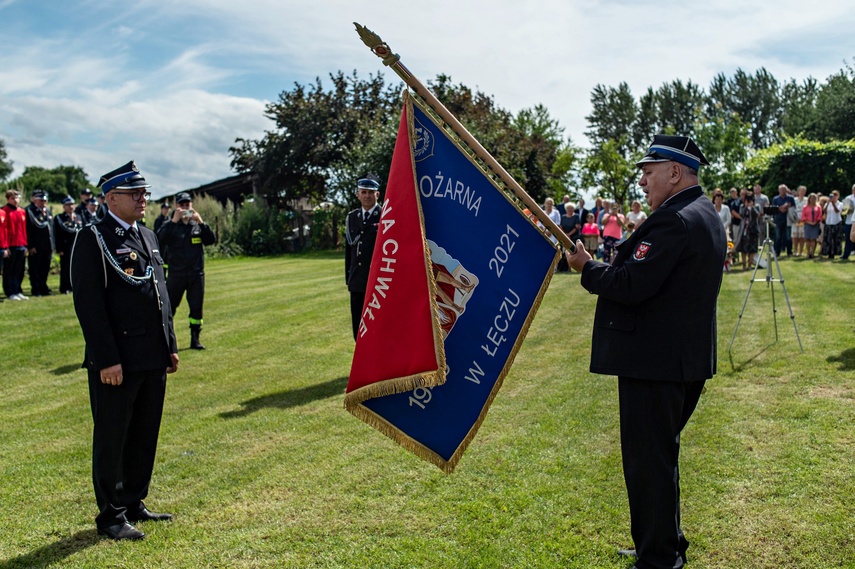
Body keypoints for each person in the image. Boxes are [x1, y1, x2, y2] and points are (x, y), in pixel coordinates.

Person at [565, 134, 726, 569]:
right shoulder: (704, 213)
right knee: (659, 459)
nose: (642, 181)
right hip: (681, 360)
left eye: (648, 171)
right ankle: (662, 544)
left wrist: (587, 267)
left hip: (656, 363)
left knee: (648, 466)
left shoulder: (674, 220)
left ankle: (658, 558)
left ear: (675, 173)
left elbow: (632, 285)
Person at [71, 160, 178, 541]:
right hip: (118, 360)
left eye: (144, 192)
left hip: (151, 356)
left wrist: (170, 346)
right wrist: (106, 358)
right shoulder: (94, 238)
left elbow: (160, 296)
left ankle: (133, 501)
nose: (142, 198)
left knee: (144, 433)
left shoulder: (147, 236)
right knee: (113, 436)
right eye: (134, 193)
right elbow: (89, 305)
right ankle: (111, 515)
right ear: (110, 198)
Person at [156, 192, 217, 349]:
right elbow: (159, 239)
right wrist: (173, 222)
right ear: (177, 207)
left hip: (196, 275)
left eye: (187, 205)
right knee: (169, 307)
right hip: (177, 275)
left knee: (196, 309)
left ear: (192, 206)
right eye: (182, 205)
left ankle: (195, 339)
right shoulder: (171, 225)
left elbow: (211, 240)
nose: (185, 208)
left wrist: (201, 222)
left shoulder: (197, 225)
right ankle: (165, 340)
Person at [345, 175, 382, 340]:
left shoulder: (385, 215)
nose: (367, 195)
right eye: (364, 192)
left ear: (377, 195)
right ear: (358, 194)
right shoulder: (351, 218)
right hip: (358, 281)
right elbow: (349, 251)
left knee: (378, 323)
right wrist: (349, 278)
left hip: (379, 282)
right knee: (358, 327)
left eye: (371, 192)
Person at [25, 189, 54, 296]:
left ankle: (43, 287)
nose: (43, 203)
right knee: (35, 269)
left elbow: (51, 229)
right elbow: (29, 229)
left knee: (45, 268)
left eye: (44, 201)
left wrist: (53, 245)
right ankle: (36, 289)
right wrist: (31, 245)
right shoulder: (30, 211)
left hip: (47, 245)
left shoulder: (48, 211)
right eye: (41, 200)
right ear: (35, 200)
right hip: (36, 246)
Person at [2, 190, 28, 300]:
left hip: (21, 244)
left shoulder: (22, 211)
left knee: (19, 269)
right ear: (8, 199)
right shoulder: (4, 211)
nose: (15, 200)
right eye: (13, 198)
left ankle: (17, 289)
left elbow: (24, 229)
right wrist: (6, 246)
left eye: (17, 197)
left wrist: (26, 244)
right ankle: (10, 291)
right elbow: (4, 230)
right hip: (11, 245)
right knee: (9, 270)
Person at [53, 196, 82, 294]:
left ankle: (73, 285)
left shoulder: (78, 217)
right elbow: (57, 234)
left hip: (77, 246)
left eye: (72, 204)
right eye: (68, 205)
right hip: (66, 247)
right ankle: (64, 287)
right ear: (64, 207)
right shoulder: (60, 218)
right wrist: (59, 249)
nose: (71, 207)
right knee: (66, 268)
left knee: (77, 267)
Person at [770, 184, 795, 257]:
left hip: (788, 219)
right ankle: (777, 252)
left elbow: (793, 207)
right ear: (779, 190)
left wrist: (783, 208)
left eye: (784, 190)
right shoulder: (775, 199)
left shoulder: (790, 198)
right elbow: (774, 209)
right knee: (777, 236)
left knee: (788, 236)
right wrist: (784, 207)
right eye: (781, 190)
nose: (783, 191)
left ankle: (789, 252)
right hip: (778, 219)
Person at [738, 194, 760, 269]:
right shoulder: (742, 207)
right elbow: (741, 214)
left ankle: (749, 265)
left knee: (752, 249)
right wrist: (746, 207)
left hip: (753, 231)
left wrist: (752, 208)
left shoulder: (756, 207)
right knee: (743, 249)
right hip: (744, 231)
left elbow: (757, 215)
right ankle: (744, 265)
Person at [822, 190, 844, 259]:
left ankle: (835, 252)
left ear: (838, 196)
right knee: (828, 238)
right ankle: (828, 252)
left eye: (835, 195)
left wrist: (833, 203)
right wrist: (828, 203)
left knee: (836, 239)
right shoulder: (828, 203)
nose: (834, 197)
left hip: (836, 222)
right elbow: (824, 211)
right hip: (828, 222)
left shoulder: (840, 204)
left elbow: (837, 211)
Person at [801, 193, 822, 258]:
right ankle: (808, 252)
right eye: (811, 198)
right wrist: (809, 222)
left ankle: (812, 252)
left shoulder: (818, 207)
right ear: (809, 199)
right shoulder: (805, 207)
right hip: (807, 224)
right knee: (807, 239)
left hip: (815, 224)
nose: (812, 199)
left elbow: (819, 216)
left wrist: (815, 222)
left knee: (813, 239)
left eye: (814, 198)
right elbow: (803, 216)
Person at [791, 185, 808, 257]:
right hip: (795, 219)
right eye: (801, 191)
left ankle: (801, 251)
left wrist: (804, 218)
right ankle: (795, 251)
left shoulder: (807, 200)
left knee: (802, 236)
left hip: (804, 219)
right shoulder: (794, 200)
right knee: (795, 236)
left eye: (804, 191)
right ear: (798, 191)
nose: (802, 192)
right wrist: (796, 218)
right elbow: (792, 210)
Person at [840, 184, 855, 260]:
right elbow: (844, 211)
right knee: (848, 239)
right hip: (849, 221)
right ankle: (846, 254)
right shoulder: (848, 198)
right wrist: (848, 210)